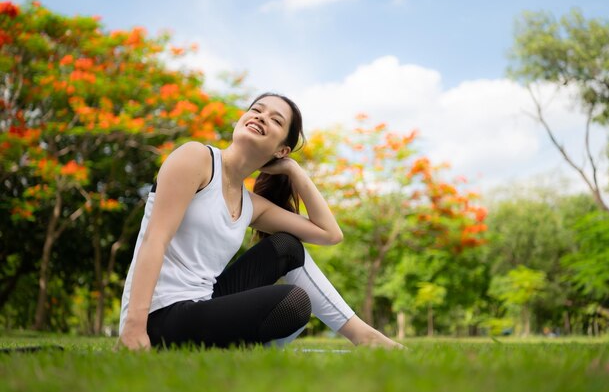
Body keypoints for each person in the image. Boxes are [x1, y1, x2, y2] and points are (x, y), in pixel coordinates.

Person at [117, 92, 403, 350]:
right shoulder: (196, 158)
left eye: (275, 120)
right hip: (158, 315)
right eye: (257, 109)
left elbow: (329, 234)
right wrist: (133, 329)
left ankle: (365, 338)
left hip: (202, 305)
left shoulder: (250, 205)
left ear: (282, 149)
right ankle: (236, 350)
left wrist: (294, 171)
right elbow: (155, 240)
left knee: (286, 247)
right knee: (293, 302)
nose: (261, 116)